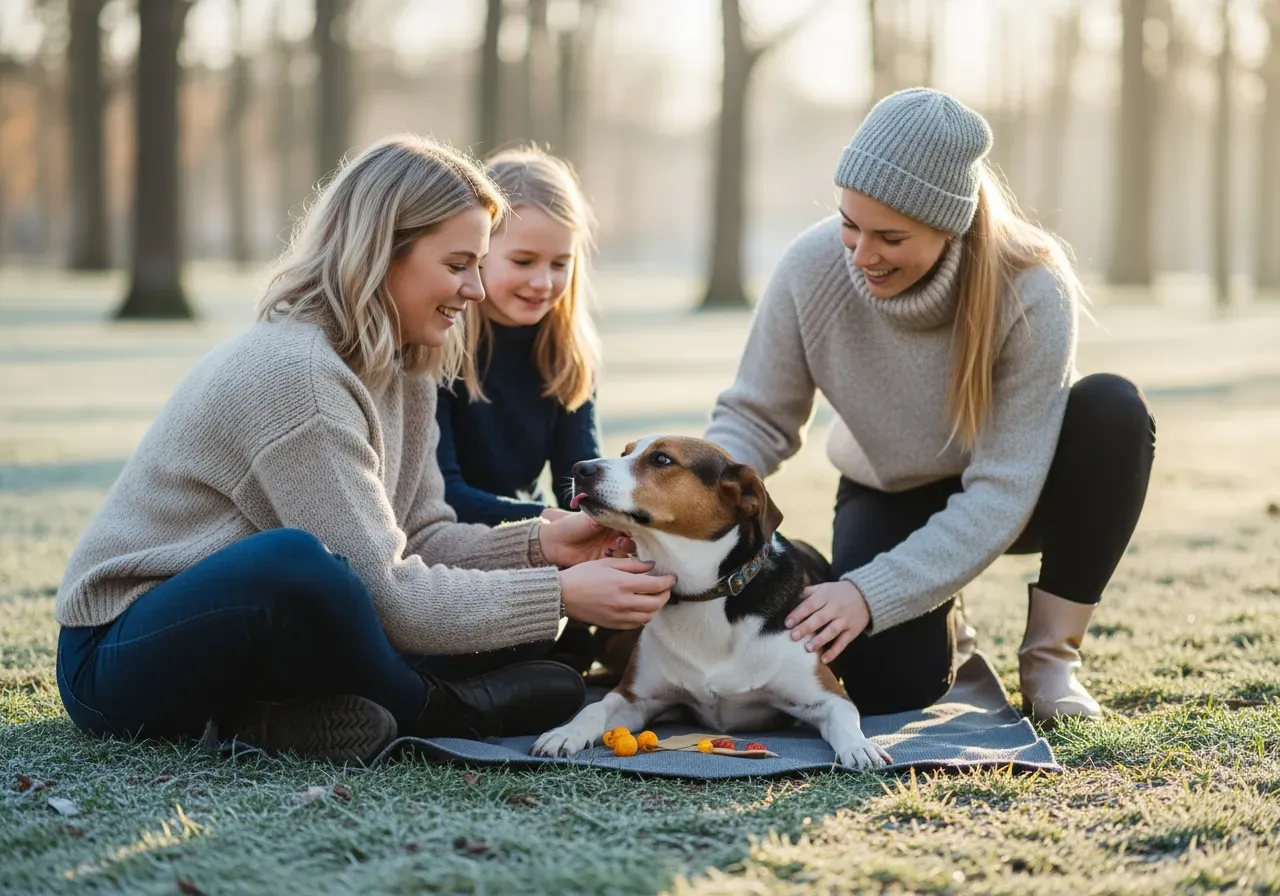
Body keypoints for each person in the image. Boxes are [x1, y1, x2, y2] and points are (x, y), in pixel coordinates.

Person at [54, 135, 674, 764]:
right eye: (458, 265)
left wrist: (542, 547)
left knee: (498, 622)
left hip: (262, 641)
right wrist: (559, 594)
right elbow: (389, 597)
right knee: (295, 562)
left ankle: (272, 720)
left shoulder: (409, 364)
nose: (476, 290)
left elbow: (422, 534)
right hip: (119, 655)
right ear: (382, 253)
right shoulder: (297, 375)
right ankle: (440, 709)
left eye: (479, 265)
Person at [704, 88, 1155, 724]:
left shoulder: (1029, 285)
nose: (861, 254)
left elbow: (1002, 488)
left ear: (950, 227)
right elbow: (757, 416)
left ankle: (1051, 660)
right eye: (849, 224)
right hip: (891, 488)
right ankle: (924, 604)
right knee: (887, 685)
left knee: (1113, 409)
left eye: (889, 236)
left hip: (1020, 492)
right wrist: (689, 500)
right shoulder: (811, 267)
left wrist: (871, 592)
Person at [436, 147, 600, 528]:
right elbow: (443, 494)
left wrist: (600, 526)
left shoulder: (569, 354)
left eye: (560, 264)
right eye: (523, 261)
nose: (543, 282)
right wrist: (550, 522)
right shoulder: (439, 345)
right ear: (478, 253)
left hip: (540, 536)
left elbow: (579, 488)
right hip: (450, 543)